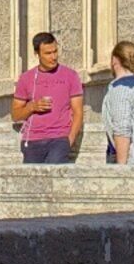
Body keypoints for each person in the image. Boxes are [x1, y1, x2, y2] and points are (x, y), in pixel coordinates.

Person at [11, 30, 84, 164]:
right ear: (37, 54)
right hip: (32, 140)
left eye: (55, 51)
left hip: (59, 139)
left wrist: (70, 140)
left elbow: (78, 111)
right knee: (33, 182)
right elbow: (15, 115)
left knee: (54, 178)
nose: (54, 57)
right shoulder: (26, 78)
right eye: (48, 53)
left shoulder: (71, 76)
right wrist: (32, 107)